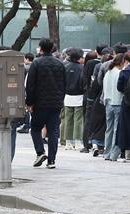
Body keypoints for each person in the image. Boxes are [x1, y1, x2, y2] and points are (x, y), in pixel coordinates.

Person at [25, 38, 66, 169]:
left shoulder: (36, 63)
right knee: (53, 131)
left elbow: (30, 85)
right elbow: (64, 84)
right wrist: (60, 100)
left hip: (39, 104)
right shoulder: (60, 64)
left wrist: (29, 102)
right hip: (55, 104)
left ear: (41, 49)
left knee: (35, 128)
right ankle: (52, 161)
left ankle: (40, 152)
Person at [61, 48, 85, 150]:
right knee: (78, 119)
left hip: (67, 95)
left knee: (67, 119)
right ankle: (78, 141)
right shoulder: (81, 68)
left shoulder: (65, 66)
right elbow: (83, 82)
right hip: (78, 95)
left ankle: (68, 142)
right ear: (79, 58)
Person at [103, 53, 125, 161]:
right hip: (117, 102)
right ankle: (114, 154)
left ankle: (106, 153)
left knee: (109, 129)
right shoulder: (119, 73)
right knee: (117, 129)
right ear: (122, 62)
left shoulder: (108, 72)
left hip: (107, 102)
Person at [81, 46, 102, 153]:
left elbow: (85, 79)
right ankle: (97, 142)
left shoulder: (89, 64)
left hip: (89, 95)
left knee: (88, 119)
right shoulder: (104, 64)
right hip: (100, 95)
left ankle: (87, 144)